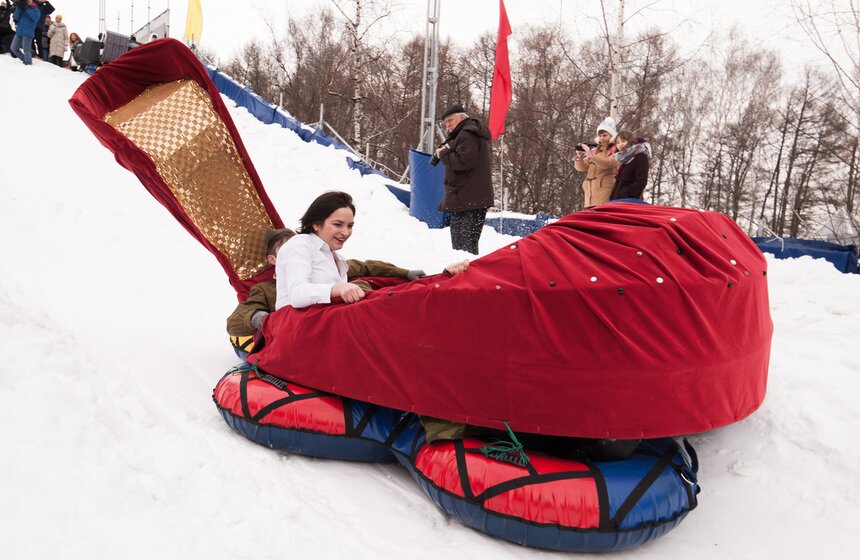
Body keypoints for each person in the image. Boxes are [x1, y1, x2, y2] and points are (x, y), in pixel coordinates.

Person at [227, 226, 428, 349]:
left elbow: (366, 266)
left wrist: (405, 273)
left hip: (349, 326)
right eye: (288, 248)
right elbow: (234, 322)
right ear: (273, 259)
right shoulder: (267, 289)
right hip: (306, 336)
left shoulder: (326, 265)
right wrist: (260, 318)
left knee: (360, 284)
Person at [277, 191, 469, 310]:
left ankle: (445, 282)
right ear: (316, 224)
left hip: (324, 323)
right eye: (338, 224)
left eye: (350, 225)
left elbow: (369, 268)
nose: (346, 232)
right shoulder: (299, 245)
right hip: (298, 328)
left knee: (393, 296)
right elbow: (297, 294)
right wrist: (338, 288)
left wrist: (409, 275)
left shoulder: (332, 256)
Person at [434, 103, 494, 255]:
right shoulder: (466, 134)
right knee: (463, 247)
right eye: (445, 122)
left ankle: (467, 277)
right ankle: (464, 277)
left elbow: (464, 161)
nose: (447, 125)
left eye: (450, 120)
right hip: (467, 199)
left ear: (462, 117)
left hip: (469, 200)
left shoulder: (467, 134)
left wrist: (444, 154)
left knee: (464, 249)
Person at [573, 116, 619, 207]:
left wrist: (590, 155)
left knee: (602, 218)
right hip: (590, 193)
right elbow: (581, 168)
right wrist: (579, 157)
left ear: (612, 136)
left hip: (605, 191)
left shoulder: (615, 149)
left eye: (605, 135)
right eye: (600, 136)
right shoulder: (595, 151)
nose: (602, 138)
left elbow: (608, 163)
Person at [609, 130, 651, 201]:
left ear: (630, 141)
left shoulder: (640, 156)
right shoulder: (624, 159)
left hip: (630, 200)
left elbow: (641, 181)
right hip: (617, 200)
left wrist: (626, 193)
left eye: (623, 141)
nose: (620, 144)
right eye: (618, 142)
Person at [10, 0, 40, 65]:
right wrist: (18, 7)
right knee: (13, 48)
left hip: (28, 33)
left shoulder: (36, 9)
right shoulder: (22, 7)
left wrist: (26, 8)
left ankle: (28, 63)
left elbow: (35, 18)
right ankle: (26, 60)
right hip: (19, 31)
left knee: (26, 50)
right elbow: (16, 17)